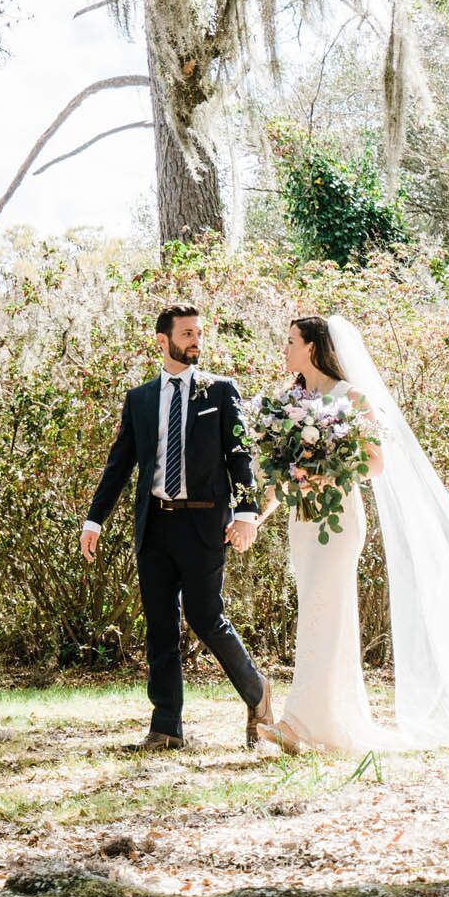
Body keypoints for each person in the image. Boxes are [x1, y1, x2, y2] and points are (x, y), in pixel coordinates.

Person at [271, 313, 449, 751]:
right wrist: (254, 514)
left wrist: (326, 473)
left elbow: (375, 462)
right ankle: (332, 720)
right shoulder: (291, 401)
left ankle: (298, 723)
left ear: (311, 346)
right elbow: (281, 472)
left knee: (322, 613)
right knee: (320, 613)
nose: (285, 349)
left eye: (290, 341)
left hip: (338, 521)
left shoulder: (352, 397)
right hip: (303, 523)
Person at [80, 303, 300, 752]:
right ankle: (166, 727)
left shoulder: (220, 391)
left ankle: (257, 692)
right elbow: (119, 464)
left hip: (204, 525)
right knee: (160, 625)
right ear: (163, 341)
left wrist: (246, 513)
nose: (195, 341)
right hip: (155, 526)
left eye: (199, 333)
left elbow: (239, 455)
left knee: (206, 618)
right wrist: (94, 518)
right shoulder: (140, 399)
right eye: (186, 334)